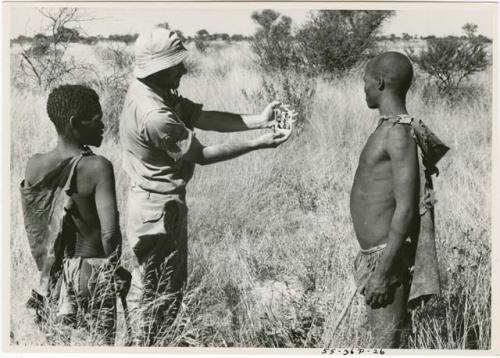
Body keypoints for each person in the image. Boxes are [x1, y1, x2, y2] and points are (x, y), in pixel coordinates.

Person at [120, 26, 292, 346]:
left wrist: (260, 118)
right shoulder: (154, 114)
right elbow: (203, 155)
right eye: (176, 64)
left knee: (165, 286)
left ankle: (160, 342)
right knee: (152, 291)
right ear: (159, 68)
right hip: (157, 209)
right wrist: (257, 143)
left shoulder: (152, 89)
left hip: (158, 203)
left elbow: (200, 116)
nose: (183, 70)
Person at [350, 52, 449, 348]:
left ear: (379, 82)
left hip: (386, 261)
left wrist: (382, 273)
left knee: (385, 346)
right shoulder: (387, 128)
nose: (364, 88)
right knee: (390, 341)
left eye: (366, 81)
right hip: (377, 257)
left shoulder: (397, 134)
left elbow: (406, 209)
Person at [20, 85, 130, 345]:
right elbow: (110, 232)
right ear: (74, 123)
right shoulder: (98, 167)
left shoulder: (33, 164)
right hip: (91, 272)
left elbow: (37, 226)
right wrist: (116, 269)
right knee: (99, 345)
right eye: (96, 119)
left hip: (52, 275)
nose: (103, 124)